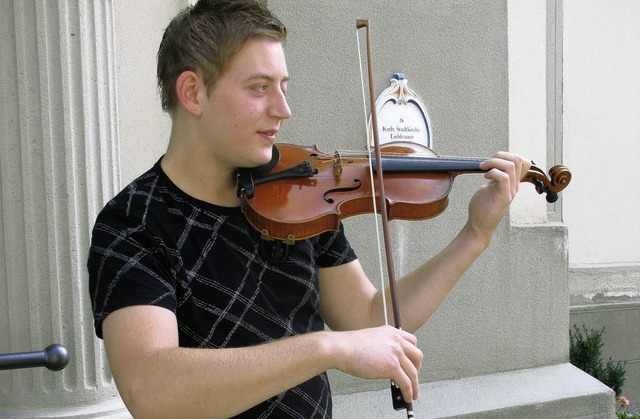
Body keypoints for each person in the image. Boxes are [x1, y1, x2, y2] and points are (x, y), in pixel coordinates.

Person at [87, 0, 531, 417]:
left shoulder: (298, 191)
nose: (283, 109)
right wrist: (328, 348)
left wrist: (474, 235)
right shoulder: (132, 223)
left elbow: (368, 315)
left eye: (283, 87)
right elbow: (153, 389)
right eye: (259, 88)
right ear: (193, 92)